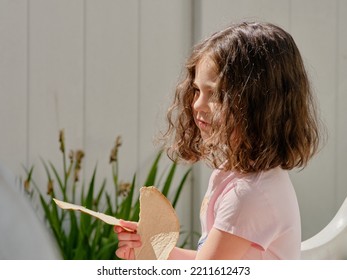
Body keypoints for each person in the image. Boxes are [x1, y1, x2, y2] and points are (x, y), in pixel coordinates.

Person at [114, 21, 321, 260]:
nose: (197, 104)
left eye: (215, 94)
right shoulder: (241, 176)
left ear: (257, 104)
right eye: (197, 91)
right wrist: (152, 249)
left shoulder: (249, 195)